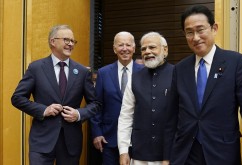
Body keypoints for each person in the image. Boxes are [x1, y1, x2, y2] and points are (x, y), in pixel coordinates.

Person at [163, 5, 242, 165]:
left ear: (214, 28)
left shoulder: (235, 62)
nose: (195, 37)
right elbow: (171, 117)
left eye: (200, 30)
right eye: (189, 32)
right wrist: (166, 156)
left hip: (222, 153)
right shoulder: (180, 68)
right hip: (185, 154)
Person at [11, 25, 100, 165]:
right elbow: (17, 98)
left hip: (70, 142)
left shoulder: (82, 72)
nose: (71, 44)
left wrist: (78, 114)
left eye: (73, 41)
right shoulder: (36, 68)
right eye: (66, 40)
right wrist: (43, 110)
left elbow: (95, 104)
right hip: (41, 141)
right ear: (53, 41)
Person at [118, 32, 174, 165]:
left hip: (169, 154)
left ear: (165, 50)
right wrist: (124, 150)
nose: (147, 52)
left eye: (152, 47)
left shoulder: (177, 74)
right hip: (140, 154)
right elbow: (126, 116)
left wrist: (171, 154)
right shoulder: (134, 78)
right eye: (143, 49)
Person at [89, 31, 143, 165]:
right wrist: (97, 132)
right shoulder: (104, 73)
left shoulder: (144, 72)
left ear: (134, 48)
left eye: (128, 45)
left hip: (139, 138)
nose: (124, 49)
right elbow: (97, 104)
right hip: (109, 138)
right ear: (114, 49)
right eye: (120, 45)